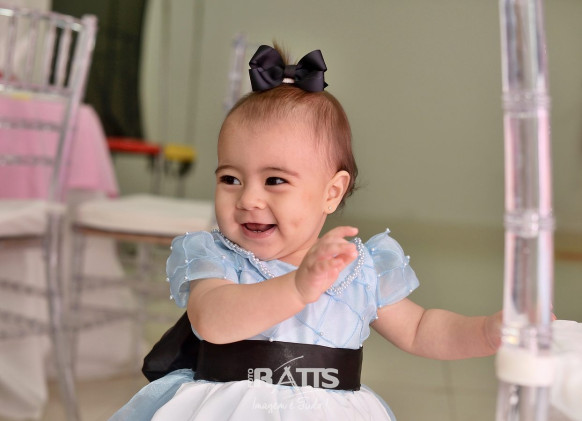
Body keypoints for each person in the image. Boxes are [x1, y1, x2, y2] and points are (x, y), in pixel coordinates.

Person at [110, 43, 501, 421]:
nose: (248, 199)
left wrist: (485, 332)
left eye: (275, 180)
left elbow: (420, 329)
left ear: (331, 192)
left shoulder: (357, 268)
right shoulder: (219, 258)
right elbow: (212, 320)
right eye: (230, 178)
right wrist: (297, 287)